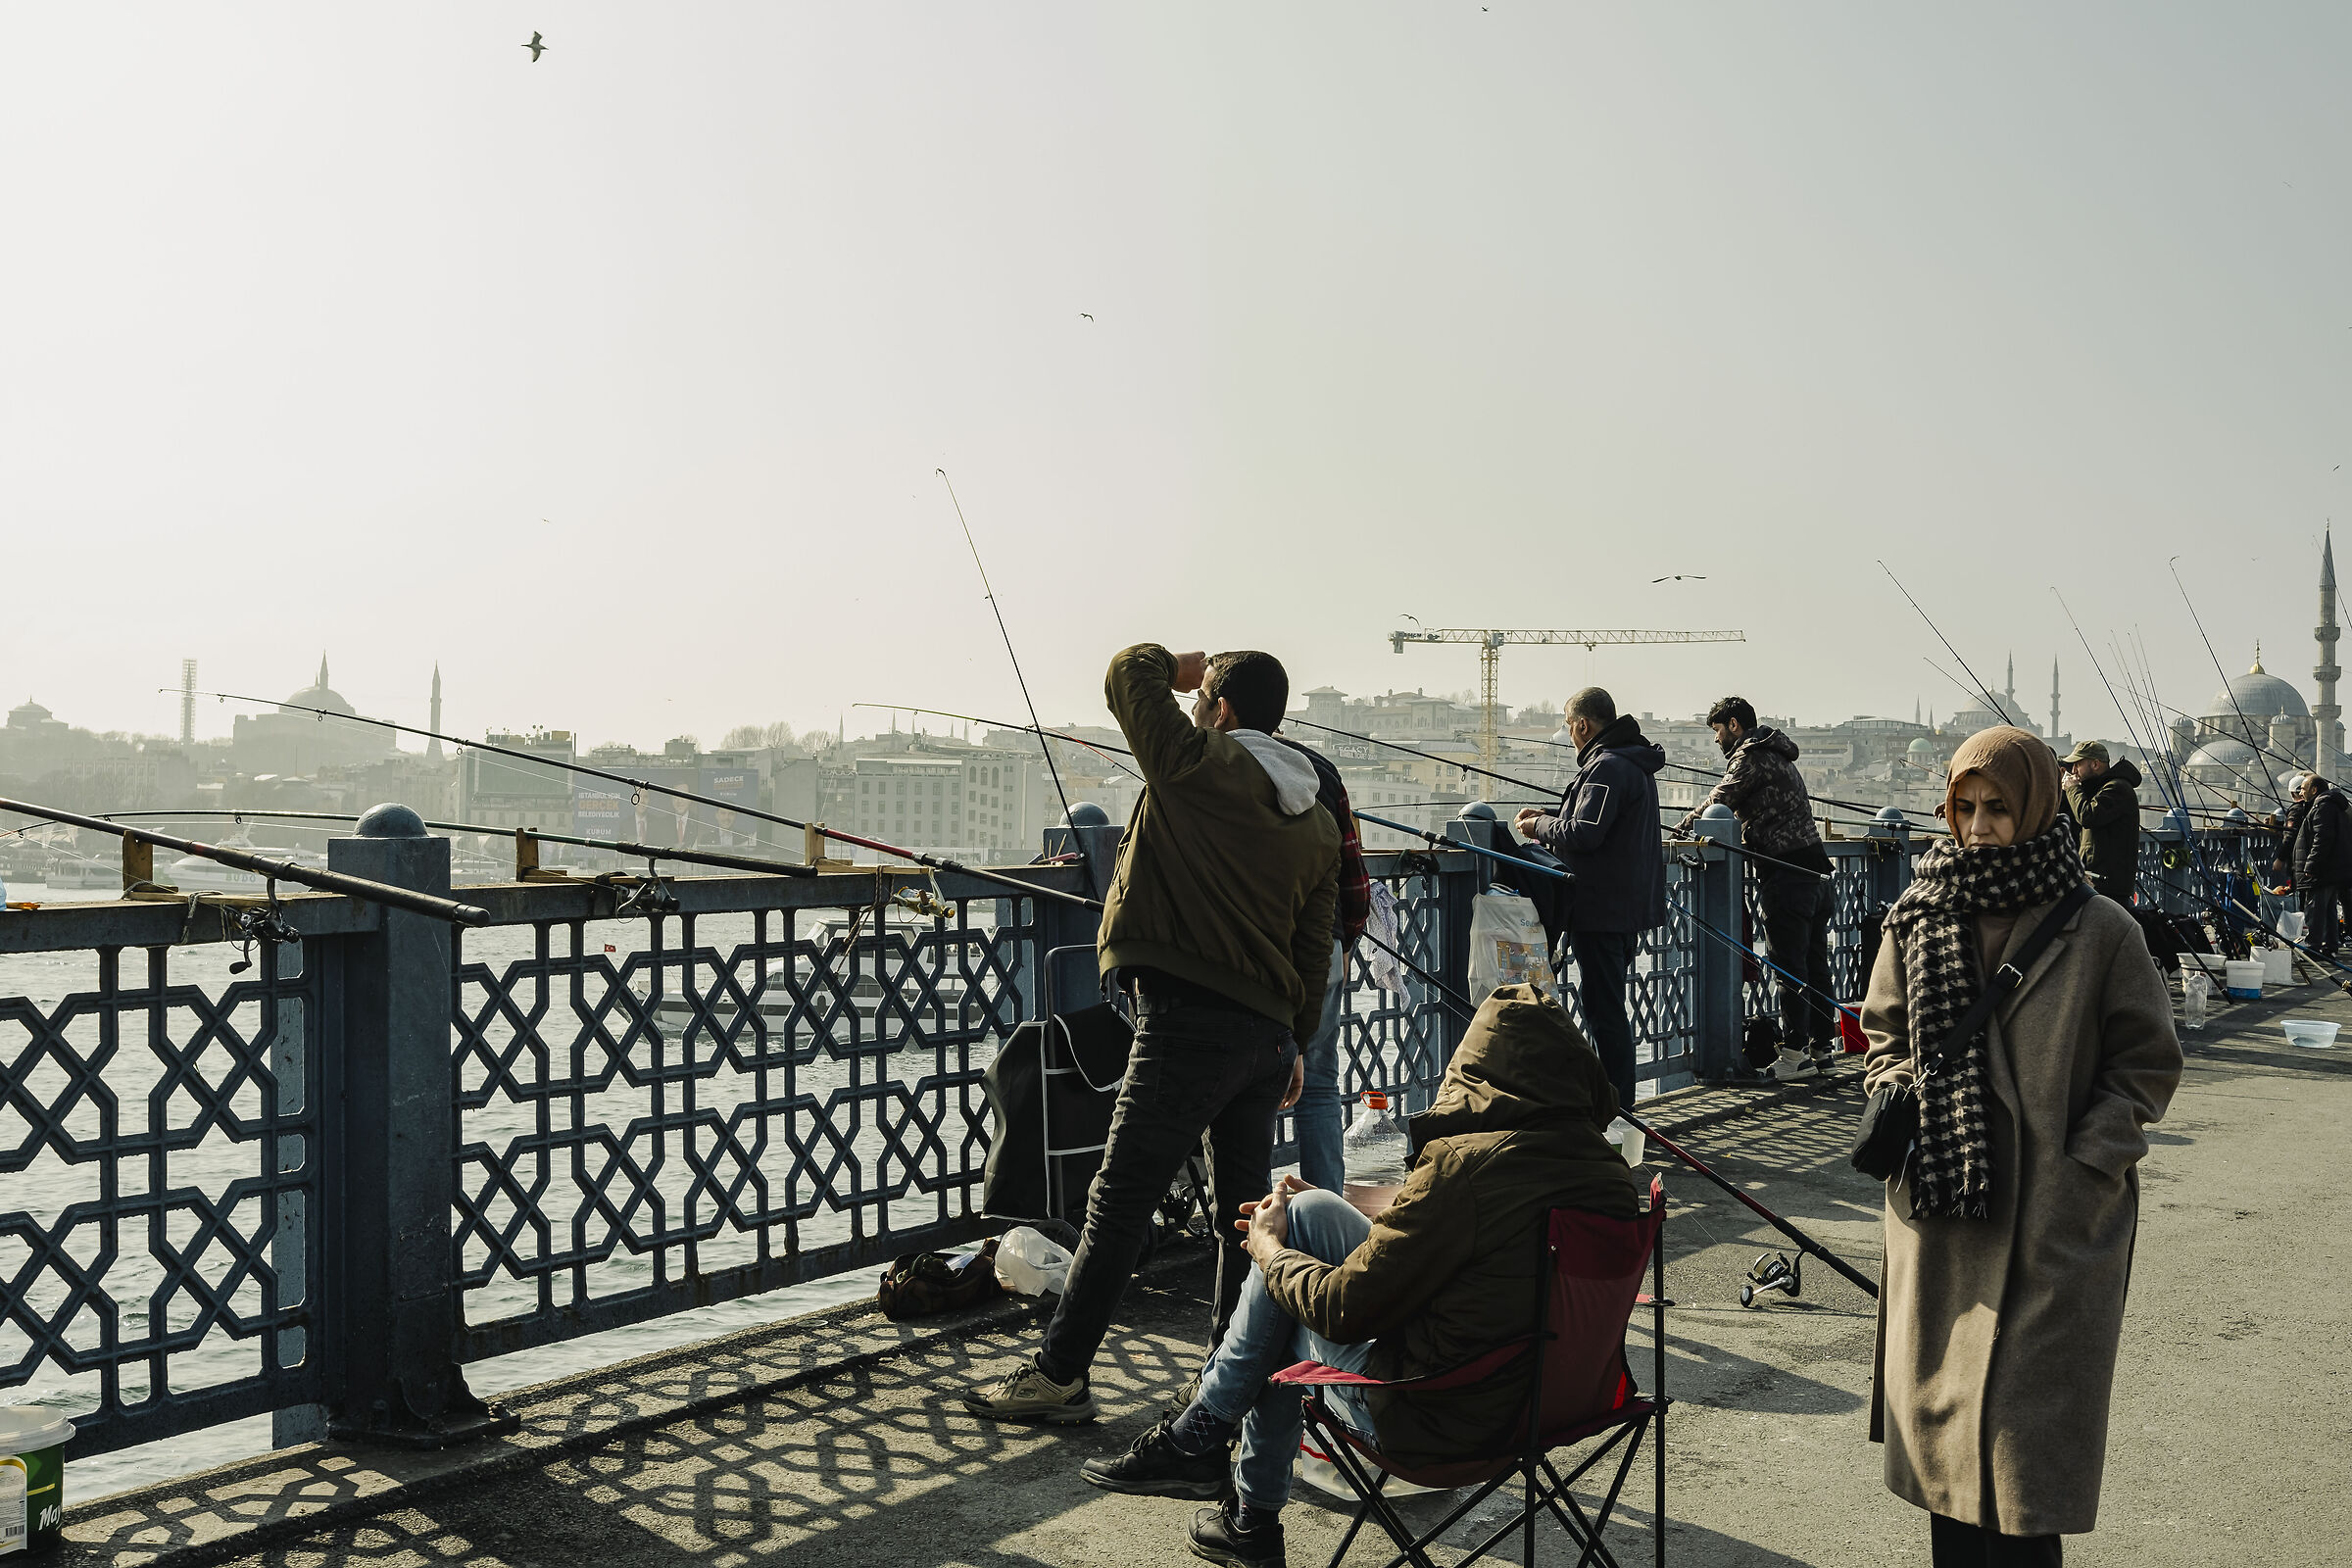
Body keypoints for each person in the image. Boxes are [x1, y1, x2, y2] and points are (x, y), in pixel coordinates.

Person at [1075, 985, 1641, 1568]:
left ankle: (1227, 1482)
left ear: (1476, 1069)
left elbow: (1342, 1310)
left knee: (1283, 1305)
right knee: (1309, 1213)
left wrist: (1268, 1250)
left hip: (1436, 1418)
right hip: (1557, 1403)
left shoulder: (1465, 1168)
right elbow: (1488, 1260)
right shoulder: (1610, 1176)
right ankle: (1207, 1447)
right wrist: (1328, 1216)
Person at [964, 645, 1340, 1425]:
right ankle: (1225, 1385)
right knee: (1246, 1216)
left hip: (1187, 1022)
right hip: (1265, 1037)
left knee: (1117, 1202)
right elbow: (1314, 946)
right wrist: (1296, 1039)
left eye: (1206, 701)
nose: (1199, 709)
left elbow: (1123, 675)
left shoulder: (1200, 763)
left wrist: (1175, 667)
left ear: (1223, 712)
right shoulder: (1317, 817)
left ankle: (1060, 1376)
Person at [1862, 726, 2181, 1566]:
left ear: (2037, 807)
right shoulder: (1918, 912)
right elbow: (1882, 1035)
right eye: (1964, 808)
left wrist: (2088, 1160)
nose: (1977, 827)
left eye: (1998, 808)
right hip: (1942, 1217)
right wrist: (1899, 1096)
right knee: (1945, 1471)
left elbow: (2147, 1062)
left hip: (2049, 1225)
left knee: (2022, 1473)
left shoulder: (2100, 927)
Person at [1512, 688, 1666, 1113]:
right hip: (1624, 908)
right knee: (1609, 1010)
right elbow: (1594, 826)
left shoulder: (1608, 768)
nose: (1569, 734)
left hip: (1601, 911)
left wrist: (1538, 825)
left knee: (1605, 1015)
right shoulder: (1631, 764)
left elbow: (1585, 833)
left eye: (1568, 726)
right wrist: (1551, 820)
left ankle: (1618, 1114)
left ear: (1583, 724)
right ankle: (1618, 1108)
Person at [1677, 696, 1838, 1082]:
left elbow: (1719, 801)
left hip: (1786, 876)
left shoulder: (1749, 756)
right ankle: (1821, 1047)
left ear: (1734, 725)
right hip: (1816, 872)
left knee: (1789, 967)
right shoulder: (1777, 753)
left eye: (1717, 730)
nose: (1716, 740)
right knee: (1815, 964)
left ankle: (1795, 1053)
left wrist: (1683, 827)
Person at [1276, 735, 1372, 1192]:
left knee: (1250, 1085)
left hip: (1255, 948)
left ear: (1223, 709)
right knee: (1318, 1083)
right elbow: (1355, 877)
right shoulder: (1322, 770)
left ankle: (1249, 1223)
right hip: (1325, 945)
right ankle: (1327, 1206)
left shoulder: (1218, 760)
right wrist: (1343, 941)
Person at [2058, 741, 2141, 905]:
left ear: (2095, 764)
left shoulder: (2117, 788)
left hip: (2109, 886)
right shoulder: (2101, 790)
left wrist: (2073, 788)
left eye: (2078, 764)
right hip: (2096, 882)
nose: (2074, 770)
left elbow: (2088, 816)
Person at [2289, 773, 2352, 957]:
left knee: (2315, 907)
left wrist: (2311, 866)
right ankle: (2329, 946)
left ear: (2314, 790)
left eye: (2303, 788)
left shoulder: (2323, 807)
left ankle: (2314, 946)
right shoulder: (2334, 805)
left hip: (2323, 870)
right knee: (2329, 908)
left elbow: (2322, 839)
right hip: (2334, 868)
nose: (2301, 791)